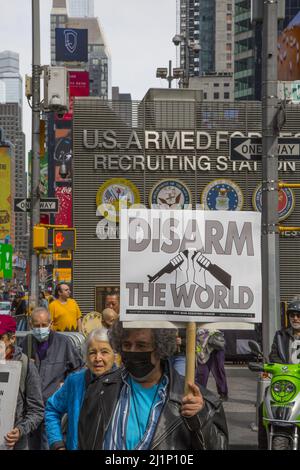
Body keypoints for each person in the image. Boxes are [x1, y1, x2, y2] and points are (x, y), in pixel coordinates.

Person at [78, 322, 228, 450]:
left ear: (160, 348)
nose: (132, 351)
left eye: (141, 345)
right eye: (127, 345)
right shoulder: (99, 389)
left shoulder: (196, 400)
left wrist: (200, 421)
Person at [21, 306, 84, 450]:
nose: (40, 329)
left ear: (50, 324)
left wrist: (66, 384)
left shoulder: (64, 343)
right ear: (31, 325)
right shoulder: (27, 342)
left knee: (49, 443)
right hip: (32, 409)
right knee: (33, 445)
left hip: (53, 407)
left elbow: (78, 369)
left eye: (44, 325)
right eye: (37, 325)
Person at [45, 328, 116, 450]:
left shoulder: (124, 382)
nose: (98, 358)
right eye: (92, 352)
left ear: (114, 355)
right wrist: (57, 443)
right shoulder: (75, 381)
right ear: (85, 356)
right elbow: (52, 409)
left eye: (104, 352)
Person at [0, 315, 44, 450]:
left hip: (13, 444)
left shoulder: (24, 365)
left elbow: (36, 411)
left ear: (12, 339)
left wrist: (19, 431)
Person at [195, 328, 228, 401]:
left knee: (218, 369)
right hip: (201, 342)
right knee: (202, 371)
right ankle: (200, 392)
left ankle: (223, 393)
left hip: (216, 341)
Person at [269, 299, 300, 364]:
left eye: (298, 315)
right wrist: (284, 368)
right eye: (292, 315)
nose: (295, 318)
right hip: (285, 373)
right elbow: (273, 355)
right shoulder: (280, 335)